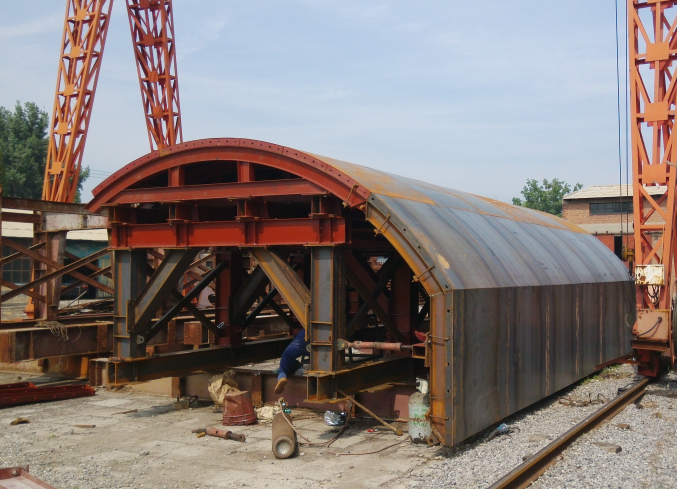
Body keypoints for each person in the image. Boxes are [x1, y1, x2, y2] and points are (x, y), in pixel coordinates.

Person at [275, 328, 309, 394]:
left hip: (305, 335)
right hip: (324, 338)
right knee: (318, 359)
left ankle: (282, 376)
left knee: (287, 355)